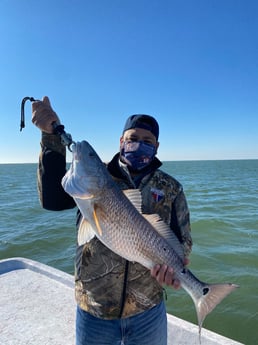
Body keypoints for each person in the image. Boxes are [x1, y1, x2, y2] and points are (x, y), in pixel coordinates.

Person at [32, 96, 192, 345]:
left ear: (157, 146)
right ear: (121, 142)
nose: (139, 145)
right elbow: (52, 200)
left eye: (147, 141)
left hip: (148, 310)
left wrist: (174, 269)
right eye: (133, 139)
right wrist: (50, 137)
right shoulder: (96, 177)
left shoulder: (170, 187)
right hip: (94, 309)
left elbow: (182, 240)